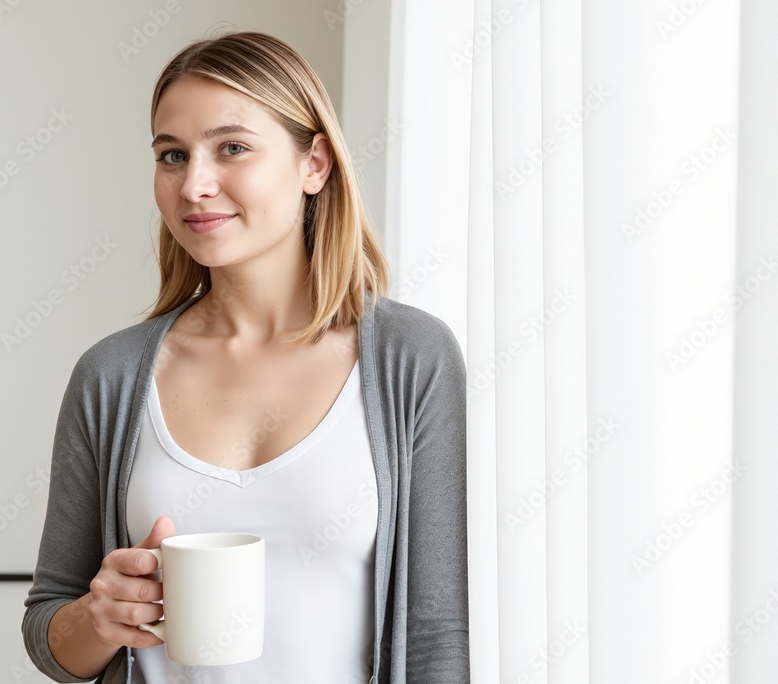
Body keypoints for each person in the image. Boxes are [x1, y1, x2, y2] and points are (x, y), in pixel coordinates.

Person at [23, 31, 468, 683]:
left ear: (314, 163)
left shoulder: (411, 361)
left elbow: (436, 636)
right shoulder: (111, 377)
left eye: (231, 148)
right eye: (172, 156)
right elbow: (50, 634)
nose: (194, 184)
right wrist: (99, 617)